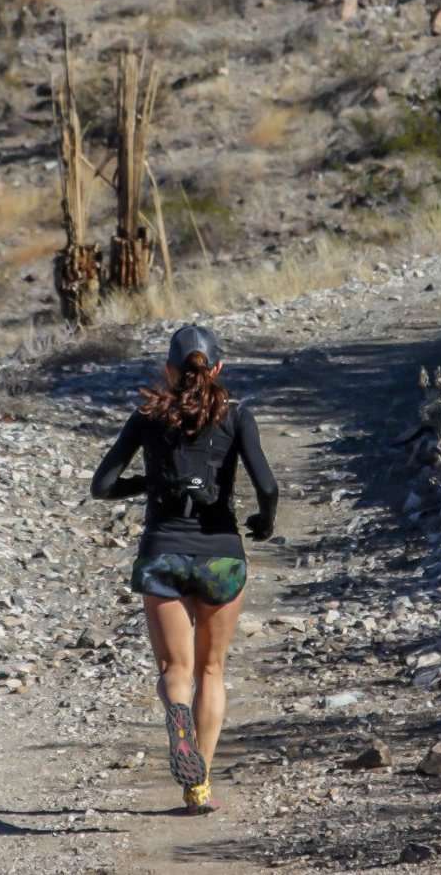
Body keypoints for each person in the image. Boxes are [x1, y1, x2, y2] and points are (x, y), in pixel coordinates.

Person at [90, 324, 279, 814]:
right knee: (212, 669)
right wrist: (263, 522)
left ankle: (177, 718)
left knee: (177, 669)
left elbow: (103, 485)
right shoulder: (238, 417)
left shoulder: (147, 417)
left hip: (163, 554)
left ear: (169, 370)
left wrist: (152, 484)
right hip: (220, 555)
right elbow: (267, 485)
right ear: (218, 368)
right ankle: (198, 788)